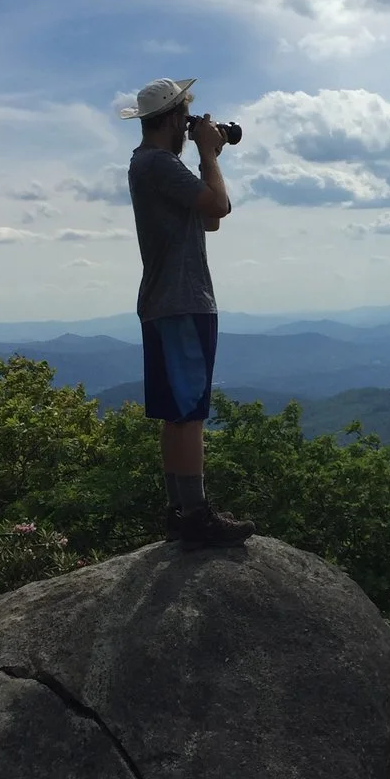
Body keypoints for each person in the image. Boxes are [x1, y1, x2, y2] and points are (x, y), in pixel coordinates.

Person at [119, 77, 256, 548]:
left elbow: (210, 219)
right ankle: (196, 514)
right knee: (190, 413)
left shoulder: (152, 165)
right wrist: (210, 154)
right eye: (188, 118)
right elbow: (222, 204)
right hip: (182, 302)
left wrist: (204, 156)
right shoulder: (158, 164)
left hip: (165, 302)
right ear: (175, 118)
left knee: (176, 414)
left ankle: (181, 510)